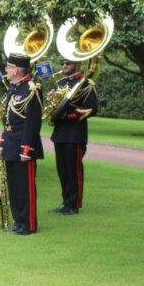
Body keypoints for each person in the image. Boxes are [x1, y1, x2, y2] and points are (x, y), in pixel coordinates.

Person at [0, 53, 42, 235]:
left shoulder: (32, 89)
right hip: (10, 141)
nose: (6, 71)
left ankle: (29, 223)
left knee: (25, 186)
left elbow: (32, 122)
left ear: (15, 69)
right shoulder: (14, 87)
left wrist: (26, 148)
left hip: (24, 143)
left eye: (8, 68)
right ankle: (18, 221)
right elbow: (7, 118)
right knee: (14, 186)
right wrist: (2, 141)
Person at [49, 58, 98, 215]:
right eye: (62, 63)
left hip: (75, 132)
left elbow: (93, 107)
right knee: (62, 169)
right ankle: (65, 202)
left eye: (68, 63)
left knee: (74, 170)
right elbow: (53, 107)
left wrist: (72, 114)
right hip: (60, 132)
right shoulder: (61, 83)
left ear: (77, 65)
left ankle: (74, 204)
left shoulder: (86, 84)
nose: (64, 66)